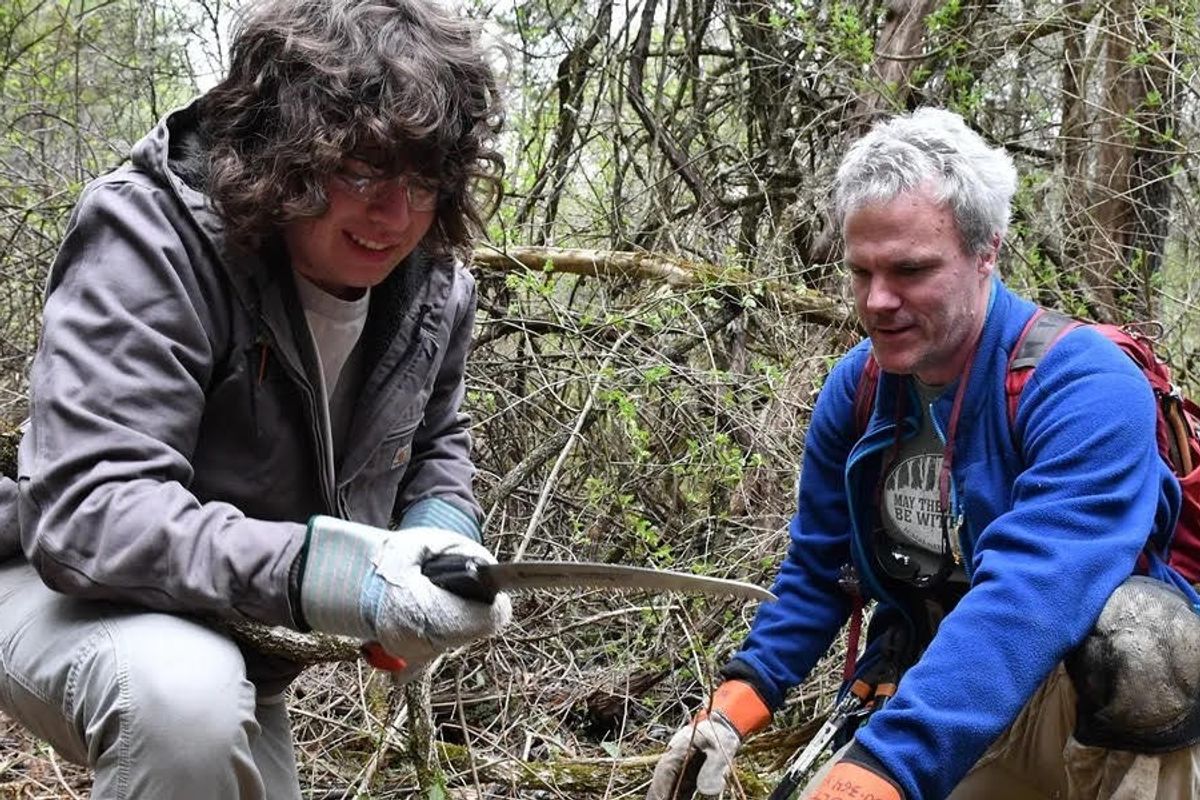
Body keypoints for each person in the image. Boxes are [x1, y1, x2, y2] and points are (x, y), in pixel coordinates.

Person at [0, 0, 512, 797]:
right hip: (51, 585)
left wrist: (438, 549)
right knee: (181, 703)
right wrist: (347, 575)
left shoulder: (432, 291)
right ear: (285, 153)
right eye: (361, 171)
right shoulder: (154, 238)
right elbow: (88, 513)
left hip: (232, 631)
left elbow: (436, 445)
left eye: (422, 179)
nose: (394, 215)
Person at [647, 108, 1200, 800]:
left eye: (910, 270)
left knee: (1143, 638)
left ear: (985, 252)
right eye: (861, 272)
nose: (879, 302)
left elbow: (1029, 595)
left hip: (1072, 702)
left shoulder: (1084, 385)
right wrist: (733, 705)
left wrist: (888, 768)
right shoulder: (861, 386)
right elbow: (822, 568)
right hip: (941, 685)